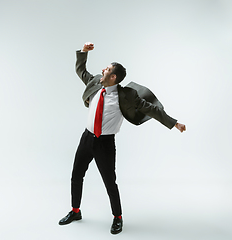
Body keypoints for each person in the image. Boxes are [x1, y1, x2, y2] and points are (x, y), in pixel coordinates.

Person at [58, 42, 186, 235]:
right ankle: (75, 211)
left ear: (114, 77)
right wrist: (84, 52)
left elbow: (151, 109)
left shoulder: (126, 95)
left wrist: (174, 123)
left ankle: (117, 217)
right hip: (86, 139)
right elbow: (81, 70)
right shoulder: (95, 82)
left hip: (105, 144)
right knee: (76, 175)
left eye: (107, 69)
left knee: (110, 182)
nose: (103, 70)